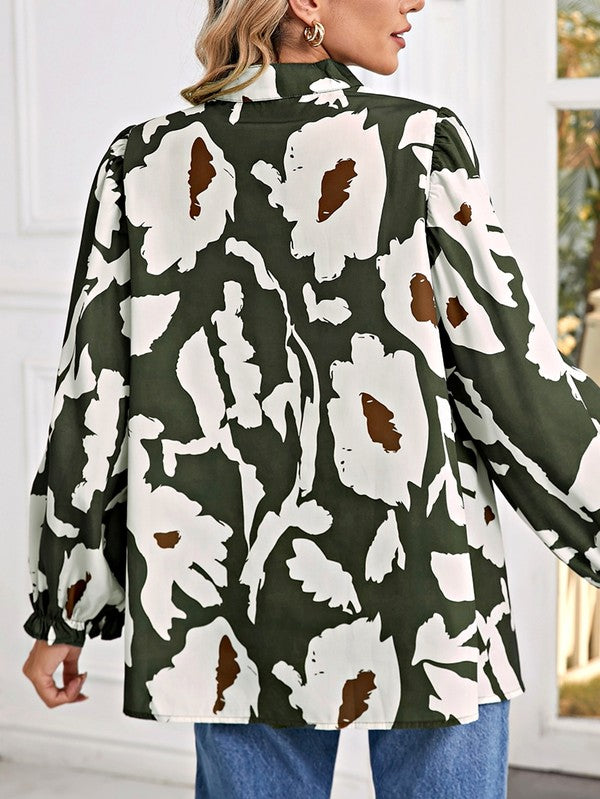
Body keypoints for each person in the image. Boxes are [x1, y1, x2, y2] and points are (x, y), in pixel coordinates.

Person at [21, 0, 600, 797]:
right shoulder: (418, 145)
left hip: (229, 592)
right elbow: (513, 383)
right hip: (426, 582)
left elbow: (94, 400)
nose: (416, 2)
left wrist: (66, 606)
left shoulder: (140, 160)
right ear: (306, 3)